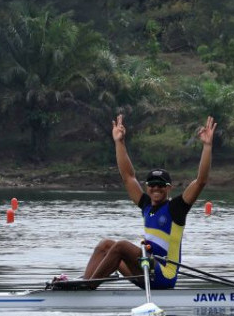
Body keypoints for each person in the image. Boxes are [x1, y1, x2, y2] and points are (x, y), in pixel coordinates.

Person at [81, 114, 216, 289]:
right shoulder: (145, 204)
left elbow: (200, 181)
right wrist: (119, 142)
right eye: (152, 184)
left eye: (161, 185)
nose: (156, 188)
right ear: (147, 187)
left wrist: (207, 146)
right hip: (146, 269)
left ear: (169, 188)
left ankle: (88, 287)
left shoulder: (176, 208)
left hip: (164, 275)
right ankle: (83, 285)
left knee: (121, 246)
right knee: (105, 245)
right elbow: (128, 177)